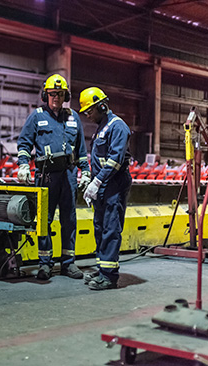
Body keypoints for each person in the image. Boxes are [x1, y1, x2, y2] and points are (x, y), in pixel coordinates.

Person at [17, 74, 91, 281]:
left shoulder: (73, 117)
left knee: (69, 220)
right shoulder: (37, 116)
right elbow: (24, 144)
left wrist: (85, 171)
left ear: (65, 95)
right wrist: (23, 165)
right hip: (46, 176)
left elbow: (81, 150)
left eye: (59, 94)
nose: (55, 97)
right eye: (52, 94)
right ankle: (45, 264)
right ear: (45, 95)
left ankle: (68, 264)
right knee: (44, 221)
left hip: (68, 176)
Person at [79, 87, 131, 290]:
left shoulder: (117, 127)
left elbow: (114, 161)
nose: (87, 115)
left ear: (102, 105)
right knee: (100, 227)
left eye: (89, 111)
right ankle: (103, 270)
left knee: (110, 228)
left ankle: (110, 277)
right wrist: (89, 180)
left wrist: (97, 181)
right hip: (104, 185)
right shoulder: (102, 127)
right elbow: (99, 160)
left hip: (114, 184)